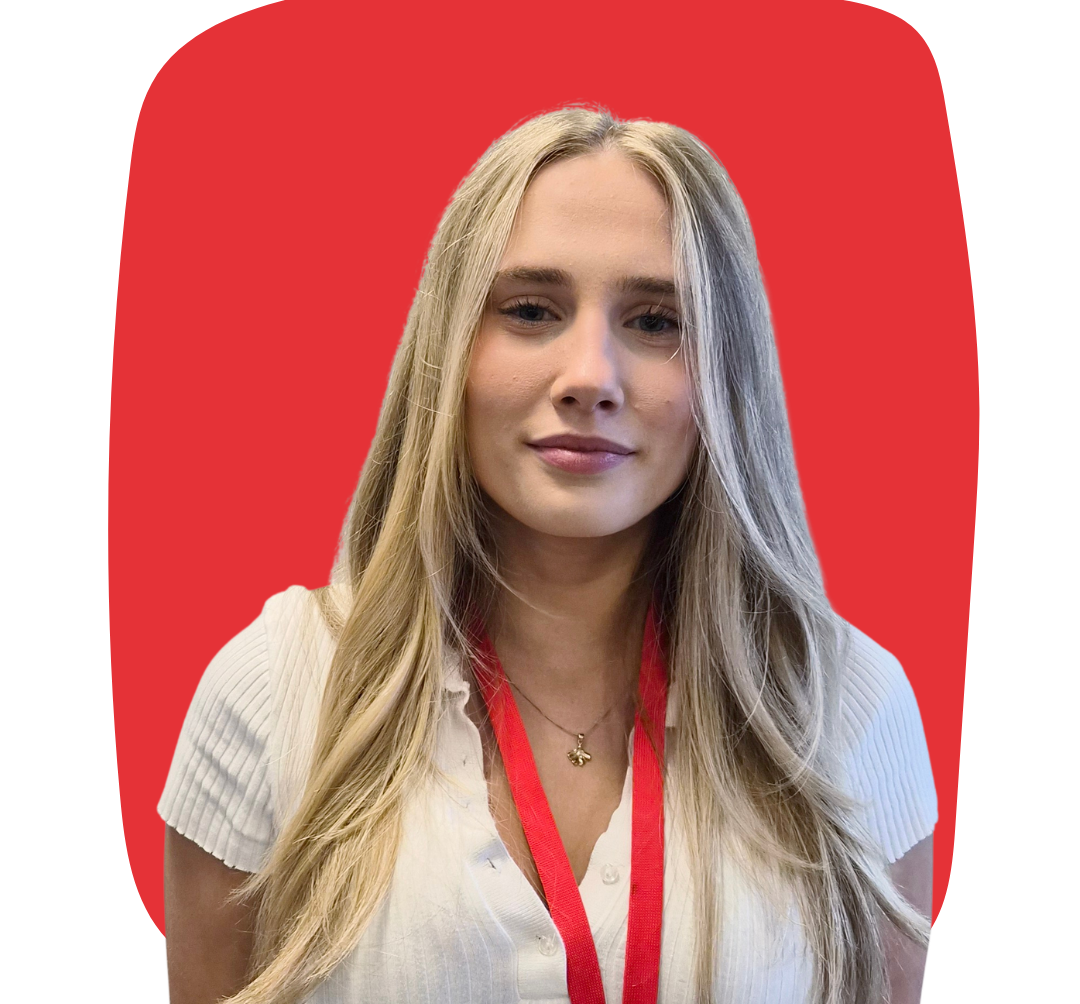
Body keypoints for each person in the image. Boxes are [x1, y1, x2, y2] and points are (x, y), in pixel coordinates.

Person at [159, 108, 937, 1004]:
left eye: (656, 321)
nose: (590, 376)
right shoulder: (275, 688)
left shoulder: (846, 710)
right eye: (531, 310)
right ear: (448, 349)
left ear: (728, 374)